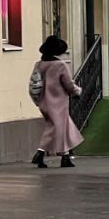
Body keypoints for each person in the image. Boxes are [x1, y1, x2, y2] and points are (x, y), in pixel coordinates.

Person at [30, 36, 83, 169]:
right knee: (54, 127)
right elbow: (68, 83)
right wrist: (77, 91)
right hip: (58, 101)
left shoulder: (39, 64)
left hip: (43, 100)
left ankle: (65, 156)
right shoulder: (60, 65)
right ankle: (40, 153)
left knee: (62, 127)